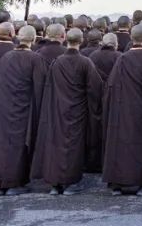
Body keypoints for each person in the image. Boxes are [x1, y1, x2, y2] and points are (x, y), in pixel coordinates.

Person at [31, 27, 103, 195]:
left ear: (66, 39)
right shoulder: (85, 62)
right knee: (73, 146)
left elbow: (49, 86)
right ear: (81, 41)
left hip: (58, 109)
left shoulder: (57, 62)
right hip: (78, 110)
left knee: (57, 144)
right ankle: (70, 183)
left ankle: (56, 184)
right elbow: (96, 88)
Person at [102, 24, 142, 195]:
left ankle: (118, 183)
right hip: (141, 109)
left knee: (122, 144)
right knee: (139, 145)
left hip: (122, 108)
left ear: (131, 38)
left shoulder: (121, 59)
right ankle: (136, 183)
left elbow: (112, 85)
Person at [0, 24, 46, 196]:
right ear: (33, 39)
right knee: (17, 146)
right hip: (22, 109)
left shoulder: (6, 57)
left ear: (18, 37)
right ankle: (12, 183)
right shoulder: (35, 59)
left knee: (2, 144)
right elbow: (40, 88)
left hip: (3, 107)